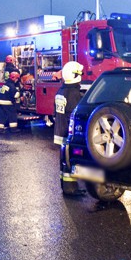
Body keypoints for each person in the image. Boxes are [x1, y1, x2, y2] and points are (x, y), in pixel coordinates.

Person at [54, 61, 85, 196]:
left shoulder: (61, 90)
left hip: (59, 130)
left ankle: (65, 187)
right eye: (80, 74)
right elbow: (76, 114)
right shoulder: (74, 93)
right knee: (69, 161)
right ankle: (70, 189)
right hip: (68, 132)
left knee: (64, 160)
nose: (82, 76)